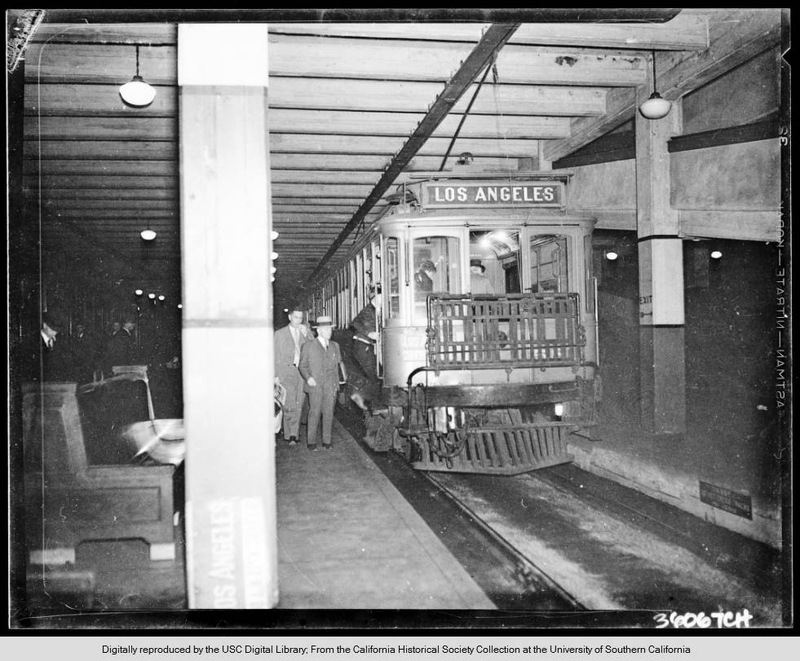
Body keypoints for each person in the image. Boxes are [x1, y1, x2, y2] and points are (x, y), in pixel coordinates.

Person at [298, 315, 347, 451]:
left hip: (330, 385)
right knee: (314, 412)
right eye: (326, 329)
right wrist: (308, 378)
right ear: (318, 331)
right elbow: (302, 366)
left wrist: (337, 385)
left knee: (329, 412)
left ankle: (327, 441)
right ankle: (311, 442)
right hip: (315, 385)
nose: (329, 332)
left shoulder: (335, 346)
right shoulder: (308, 346)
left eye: (330, 329)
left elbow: (338, 365)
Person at [273, 307, 311, 446]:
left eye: (300, 318)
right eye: (295, 317)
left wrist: (306, 334)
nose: (298, 320)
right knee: (289, 403)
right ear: (290, 317)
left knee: (299, 402)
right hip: (286, 371)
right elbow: (275, 355)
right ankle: (290, 435)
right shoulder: (279, 334)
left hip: (301, 372)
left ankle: (293, 432)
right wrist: (275, 375)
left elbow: (313, 347)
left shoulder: (304, 332)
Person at [348, 290, 382, 411]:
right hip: (362, 345)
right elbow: (354, 322)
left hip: (369, 346)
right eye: (381, 297)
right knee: (373, 374)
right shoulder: (368, 310)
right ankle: (370, 401)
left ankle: (370, 400)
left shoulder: (379, 310)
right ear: (375, 298)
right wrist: (369, 333)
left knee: (375, 374)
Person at [39, 310, 77, 381]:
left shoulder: (61, 342)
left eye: (58, 329)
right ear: (44, 325)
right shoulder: (32, 343)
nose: (55, 332)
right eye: (53, 329)